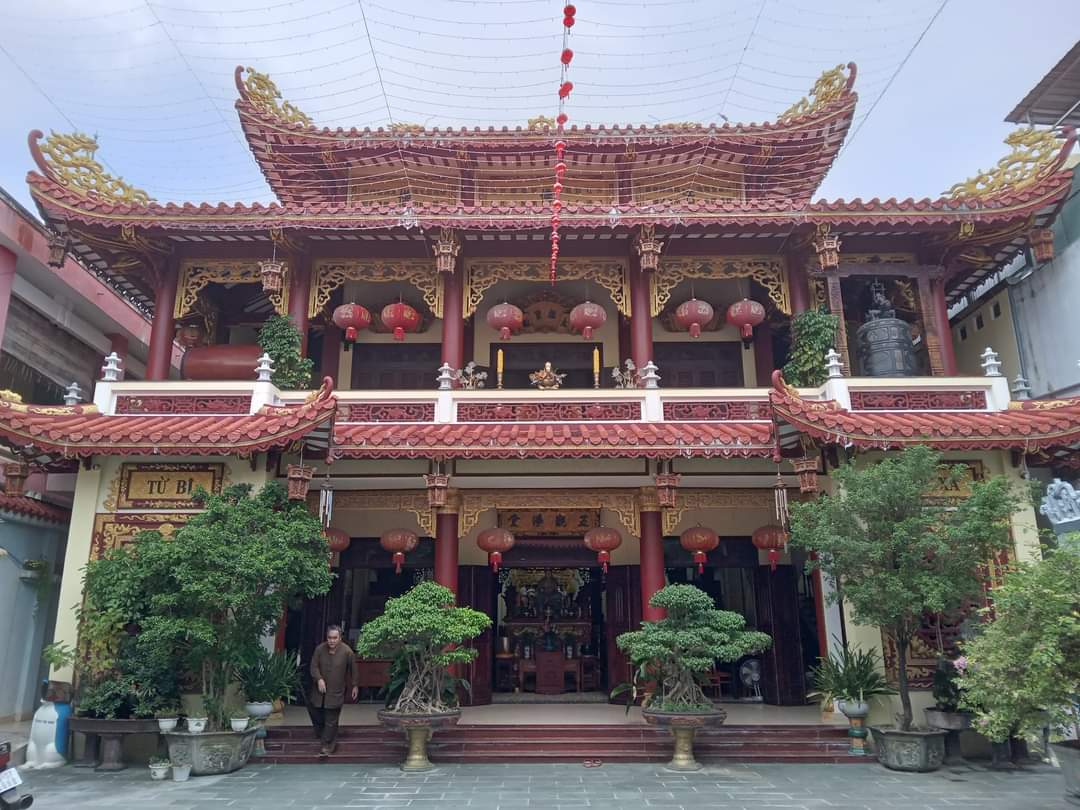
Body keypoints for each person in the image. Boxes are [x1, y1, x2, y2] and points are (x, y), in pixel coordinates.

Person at [307, 624, 358, 756]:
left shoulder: (347, 652)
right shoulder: (319, 649)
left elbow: (354, 670)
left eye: (335, 638)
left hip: (336, 691)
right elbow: (313, 667)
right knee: (315, 712)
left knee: (331, 718)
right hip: (319, 692)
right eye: (330, 638)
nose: (332, 641)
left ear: (340, 638)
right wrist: (319, 679)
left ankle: (326, 746)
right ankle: (325, 736)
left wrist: (355, 685)